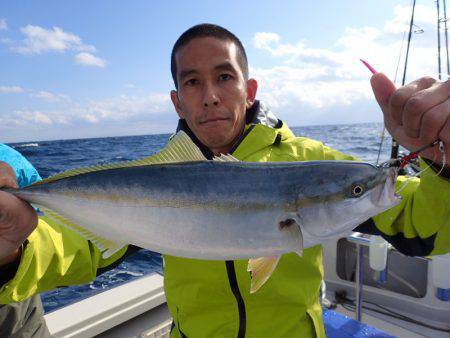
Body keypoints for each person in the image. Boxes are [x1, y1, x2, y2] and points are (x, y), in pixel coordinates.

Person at [0, 24, 449, 337]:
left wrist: (442, 165)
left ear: (249, 90)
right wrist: (13, 247)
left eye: (224, 77)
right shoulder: (154, 178)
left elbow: (417, 223)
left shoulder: (310, 161)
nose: (210, 95)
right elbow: (74, 246)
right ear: (177, 102)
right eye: (192, 82)